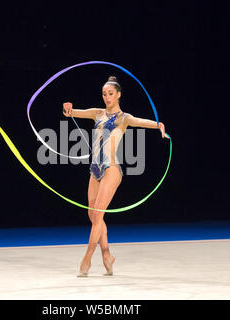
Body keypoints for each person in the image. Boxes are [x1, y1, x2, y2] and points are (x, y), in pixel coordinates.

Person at [62, 76, 168, 277]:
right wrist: (68, 108)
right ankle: (107, 256)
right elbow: (72, 113)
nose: (107, 97)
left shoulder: (123, 118)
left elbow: (140, 122)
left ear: (118, 94)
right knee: (92, 215)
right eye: (104, 94)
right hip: (95, 169)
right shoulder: (97, 113)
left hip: (111, 169)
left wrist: (158, 124)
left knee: (98, 215)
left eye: (111, 94)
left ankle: (87, 259)